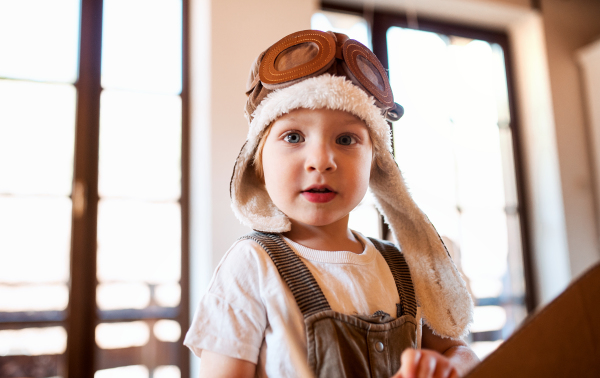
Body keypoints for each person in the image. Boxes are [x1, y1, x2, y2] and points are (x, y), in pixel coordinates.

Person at [184, 30, 479, 378]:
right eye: (293, 137)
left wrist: (447, 367)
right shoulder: (251, 267)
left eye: (345, 139)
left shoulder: (402, 268)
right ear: (257, 164)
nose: (321, 160)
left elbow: (458, 350)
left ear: (377, 164)